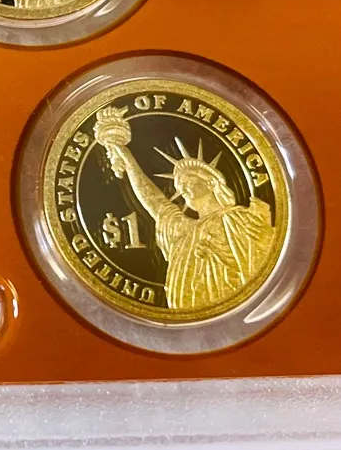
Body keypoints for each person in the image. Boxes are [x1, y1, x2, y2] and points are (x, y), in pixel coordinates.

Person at [93, 106, 275, 310]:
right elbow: (153, 201)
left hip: (237, 307)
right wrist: (126, 157)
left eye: (189, 182)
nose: (183, 189)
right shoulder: (185, 230)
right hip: (188, 308)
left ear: (211, 183)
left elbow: (264, 258)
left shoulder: (237, 219)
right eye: (180, 186)